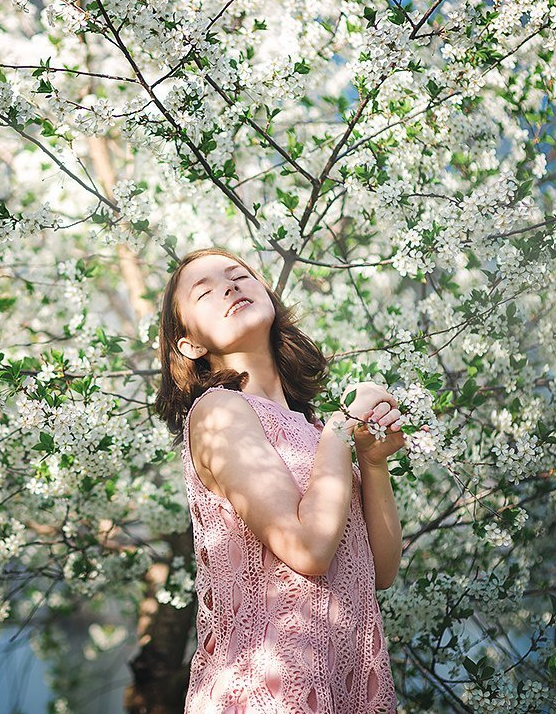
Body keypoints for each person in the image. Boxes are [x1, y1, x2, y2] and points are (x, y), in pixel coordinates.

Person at [155, 247, 416, 713]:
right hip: (268, 687)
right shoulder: (219, 410)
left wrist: (372, 464)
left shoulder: (315, 435)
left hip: (343, 686)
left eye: (238, 275)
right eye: (206, 291)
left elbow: (382, 570)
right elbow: (307, 550)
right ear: (190, 344)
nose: (230, 287)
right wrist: (341, 429)